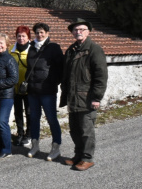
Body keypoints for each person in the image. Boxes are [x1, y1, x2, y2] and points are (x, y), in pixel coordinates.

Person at [60, 18, 108, 171]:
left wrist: (96, 97)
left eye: (81, 29)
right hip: (73, 97)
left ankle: (87, 158)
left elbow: (101, 76)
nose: (78, 32)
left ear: (88, 31)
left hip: (86, 97)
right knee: (74, 129)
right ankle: (78, 155)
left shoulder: (94, 49)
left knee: (86, 130)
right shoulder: (72, 49)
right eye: (75, 30)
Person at [26, 23, 64, 161]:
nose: (39, 35)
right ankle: (35, 145)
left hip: (47, 91)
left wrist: (54, 82)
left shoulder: (53, 48)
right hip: (33, 91)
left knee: (51, 119)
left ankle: (56, 147)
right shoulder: (31, 48)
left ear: (47, 33)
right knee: (34, 119)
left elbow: (61, 68)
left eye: (42, 32)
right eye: (37, 32)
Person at [9, 26, 33, 147]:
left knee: (29, 112)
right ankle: (20, 134)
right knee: (18, 112)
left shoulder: (33, 50)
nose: (21, 38)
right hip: (15, 87)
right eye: (19, 36)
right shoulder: (11, 50)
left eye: (24, 36)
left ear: (28, 37)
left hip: (29, 88)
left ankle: (28, 134)